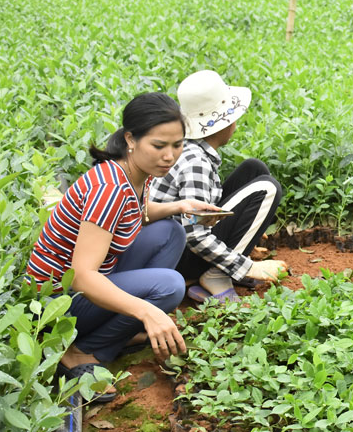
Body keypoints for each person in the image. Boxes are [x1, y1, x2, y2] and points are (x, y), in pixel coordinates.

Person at [28, 93, 220, 402]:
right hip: (56, 306)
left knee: (171, 232)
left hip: (88, 284)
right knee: (170, 287)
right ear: (130, 139)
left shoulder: (132, 173)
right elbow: (80, 276)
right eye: (159, 146)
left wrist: (182, 205)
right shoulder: (109, 190)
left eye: (178, 144)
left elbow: (140, 213)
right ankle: (80, 352)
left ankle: (122, 328)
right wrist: (147, 311)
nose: (170, 156)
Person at [150, 70, 286, 304]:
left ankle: (227, 262)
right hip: (179, 258)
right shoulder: (195, 161)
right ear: (225, 122)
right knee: (267, 188)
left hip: (178, 245)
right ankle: (217, 273)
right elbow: (194, 234)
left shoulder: (191, 149)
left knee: (254, 169)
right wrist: (248, 267)